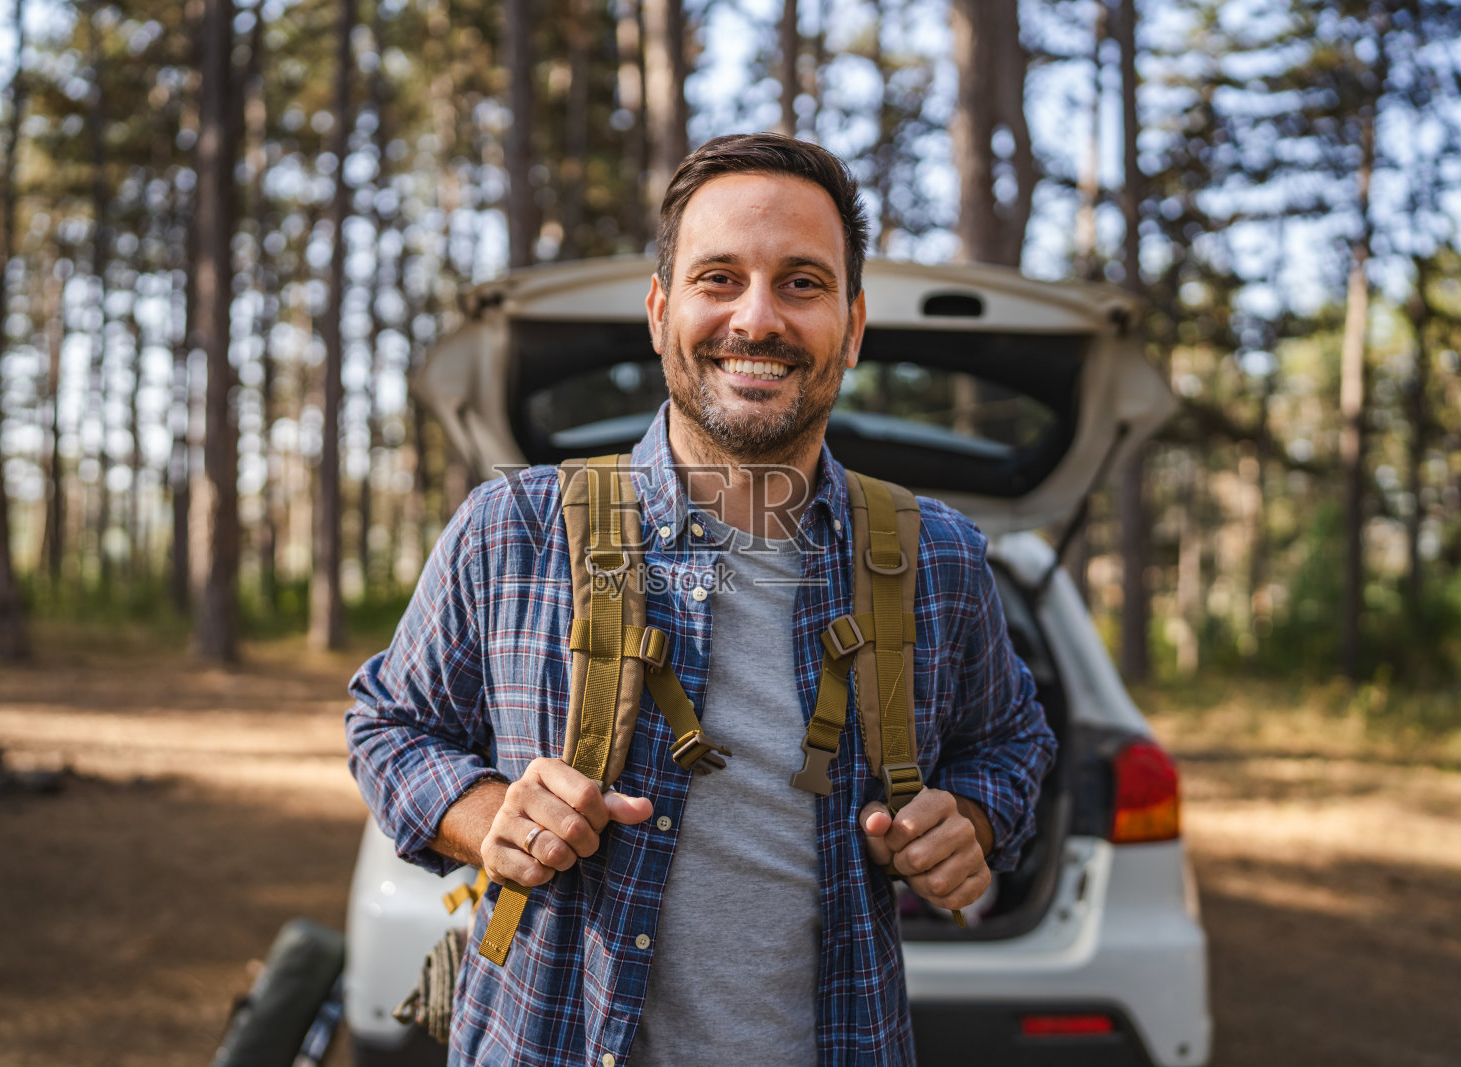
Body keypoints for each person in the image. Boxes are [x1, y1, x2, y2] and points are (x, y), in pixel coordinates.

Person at [346, 133, 1056, 1067]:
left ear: (853, 325)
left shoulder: (944, 558)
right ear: (660, 310)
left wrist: (974, 818)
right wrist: (486, 816)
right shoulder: (510, 528)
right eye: (718, 278)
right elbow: (388, 722)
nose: (757, 319)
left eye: (802, 282)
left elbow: (1013, 740)